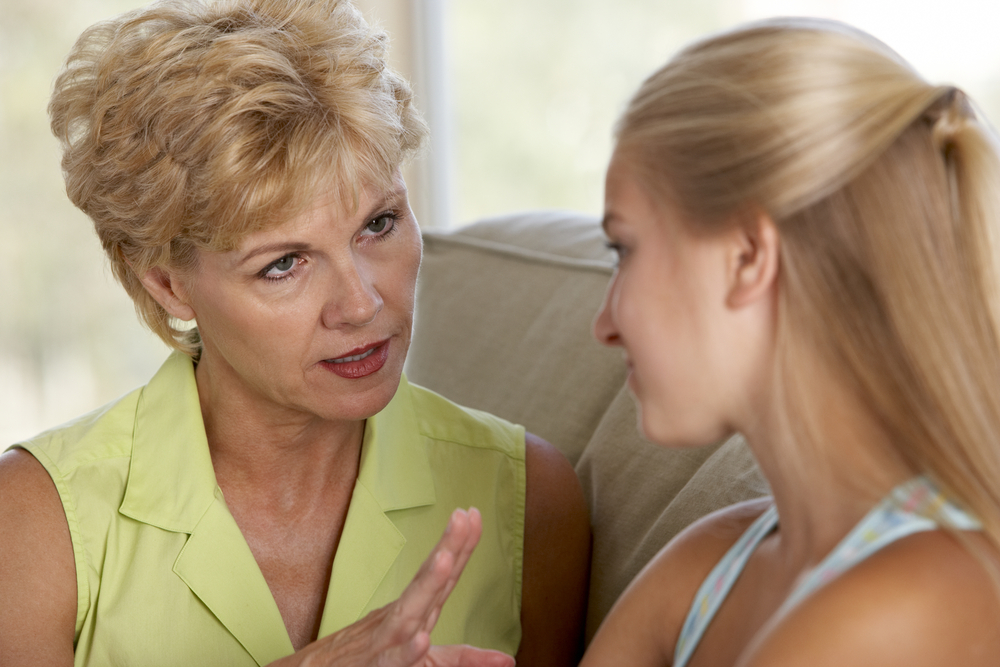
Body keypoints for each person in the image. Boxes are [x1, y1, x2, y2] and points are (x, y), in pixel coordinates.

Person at [0, 1, 590, 665]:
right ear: (168, 285)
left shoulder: (528, 497)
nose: (362, 303)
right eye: (284, 263)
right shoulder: (33, 518)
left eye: (380, 224)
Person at [582, 17, 1000, 667]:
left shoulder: (916, 600)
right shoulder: (707, 567)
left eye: (623, 248)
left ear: (748, 255)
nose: (603, 324)